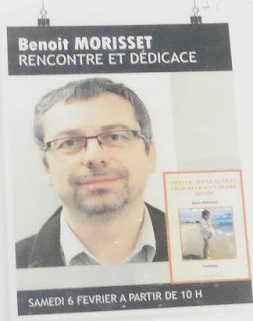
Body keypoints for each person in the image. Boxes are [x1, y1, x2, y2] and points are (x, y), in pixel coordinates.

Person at [15, 77, 168, 268]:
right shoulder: (11, 264)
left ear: (150, 154)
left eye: (115, 136)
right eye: (69, 142)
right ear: (46, 167)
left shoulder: (201, 252)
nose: (95, 157)